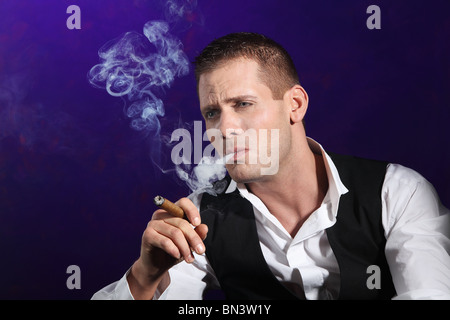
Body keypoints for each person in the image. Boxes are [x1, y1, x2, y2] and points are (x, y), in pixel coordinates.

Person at [92, 32, 450, 300]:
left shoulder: (396, 192)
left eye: (243, 104)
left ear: (294, 104)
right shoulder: (200, 220)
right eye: (212, 113)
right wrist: (146, 275)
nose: (224, 129)